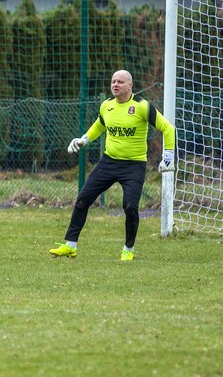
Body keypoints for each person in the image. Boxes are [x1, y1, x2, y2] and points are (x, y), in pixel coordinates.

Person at [50, 70, 176, 261]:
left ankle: (128, 249)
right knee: (83, 199)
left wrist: (168, 155)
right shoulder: (106, 105)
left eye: (120, 82)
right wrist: (84, 139)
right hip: (109, 162)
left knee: (130, 206)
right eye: (113, 81)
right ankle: (70, 246)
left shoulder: (142, 106)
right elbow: (99, 125)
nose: (115, 84)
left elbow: (168, 128)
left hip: (134, 165)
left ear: (130, 85)